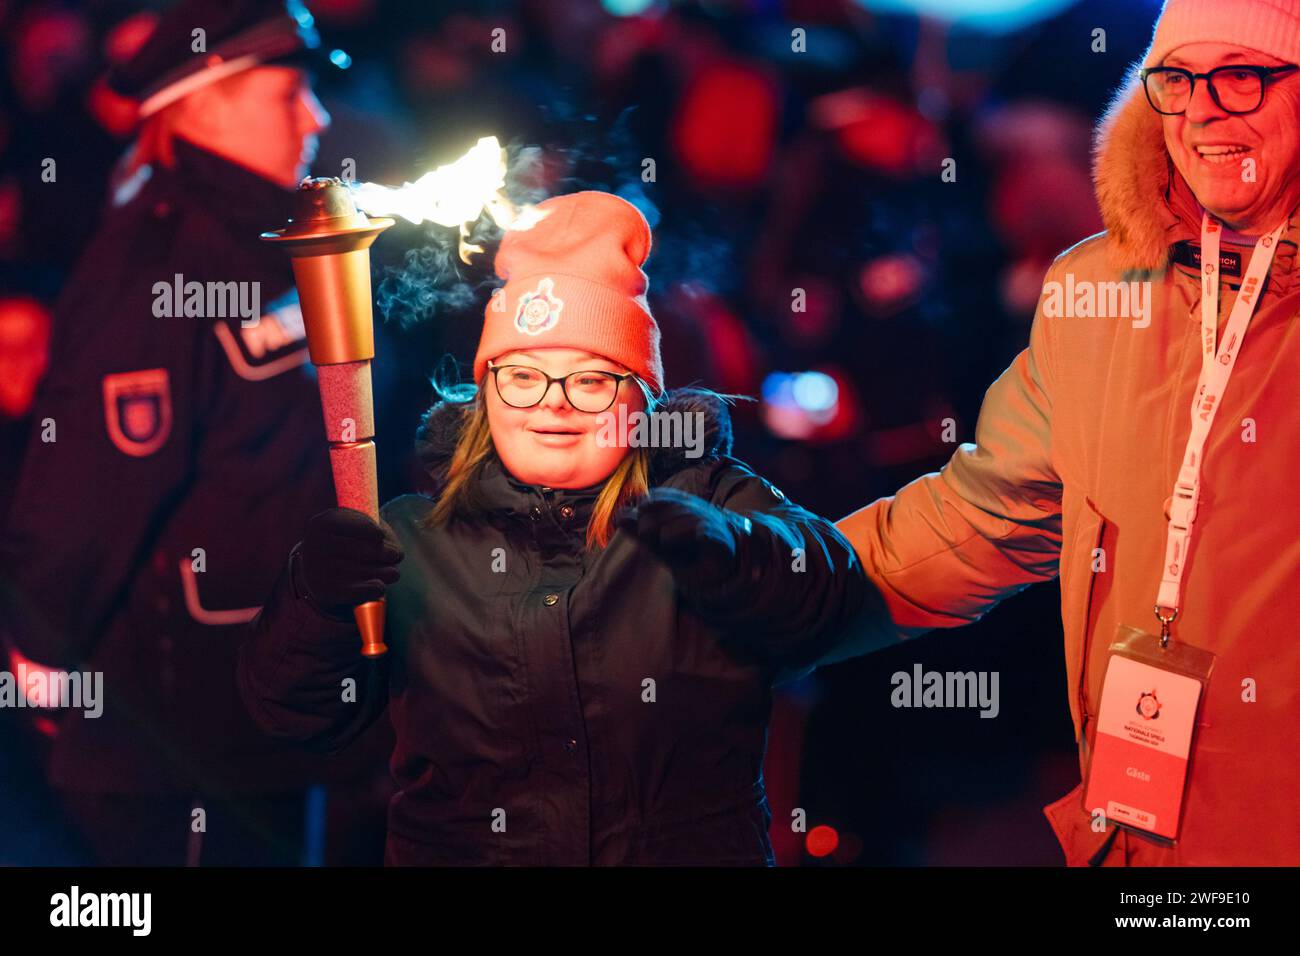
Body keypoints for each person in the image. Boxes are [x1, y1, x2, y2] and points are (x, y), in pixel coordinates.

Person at [236, 190, 867, 865]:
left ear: (639, 398)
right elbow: (298, 714)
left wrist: (737, 557)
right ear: (486, 393)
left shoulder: (712, 501)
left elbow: (827, 598)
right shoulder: (409, 543)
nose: (553, 407)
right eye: (523, 377)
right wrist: (315, 602)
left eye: (591, 382)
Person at [829, 0, 1300, 865]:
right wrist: (783, 578)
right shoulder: (1097, 293)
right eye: (1178, 80)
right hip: (1142, 841)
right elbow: (981, 516)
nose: (1201, 111)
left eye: (1242, 75)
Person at [0, 0, 388, 865]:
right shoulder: (156, 267)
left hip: (277, 718)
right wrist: (40, 656)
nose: (317, 115)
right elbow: (85, 496)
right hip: (179, 750)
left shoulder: (274, 246)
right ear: (205, 99)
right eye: (290, 93)